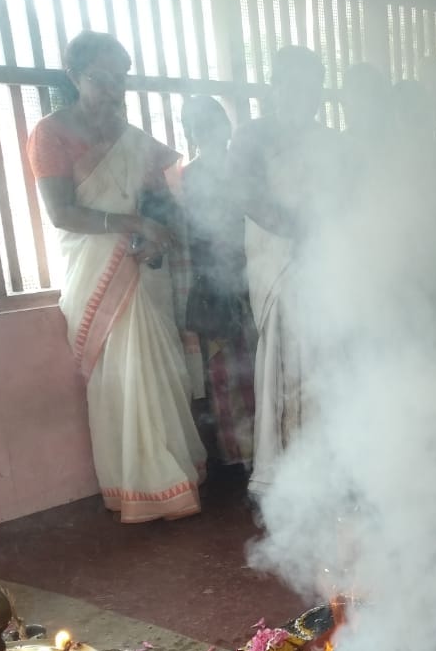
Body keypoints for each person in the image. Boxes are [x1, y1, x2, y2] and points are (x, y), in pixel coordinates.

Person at [28, 31, 206, 522]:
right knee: (122, 379)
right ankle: (140, 487)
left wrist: (158, 232)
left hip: (142, 268)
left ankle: (174, 474)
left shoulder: (131, 137)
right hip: (94, 271)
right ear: (74, 77)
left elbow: (167, 195)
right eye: (99, 80)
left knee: (159, 371)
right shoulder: (51, 133)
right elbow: (62, 213)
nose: (111, 90)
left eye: (119, 80)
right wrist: (129, 224)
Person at [229, 46, 339, 497]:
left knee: (325, 362)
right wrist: (303, 230)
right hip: (277, 261)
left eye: (312, 87)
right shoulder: (252, 138)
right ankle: (285, 474)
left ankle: (328, 465)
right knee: (285, 359)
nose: (303, 95)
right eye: (293, 84)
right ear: (275, 86)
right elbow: (248, 198)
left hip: (327, 262)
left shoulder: (331, 141)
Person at [180, 96, 256, 471]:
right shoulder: (193, 176)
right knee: (228, 374)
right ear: (191, 134)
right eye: (200, 126)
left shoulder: (242, 168)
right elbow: (198, 236)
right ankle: (243, 456)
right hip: (219, 283)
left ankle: (261, 453)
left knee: (256, 368)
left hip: (251, 275)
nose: (208, 133)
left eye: (212, 123)